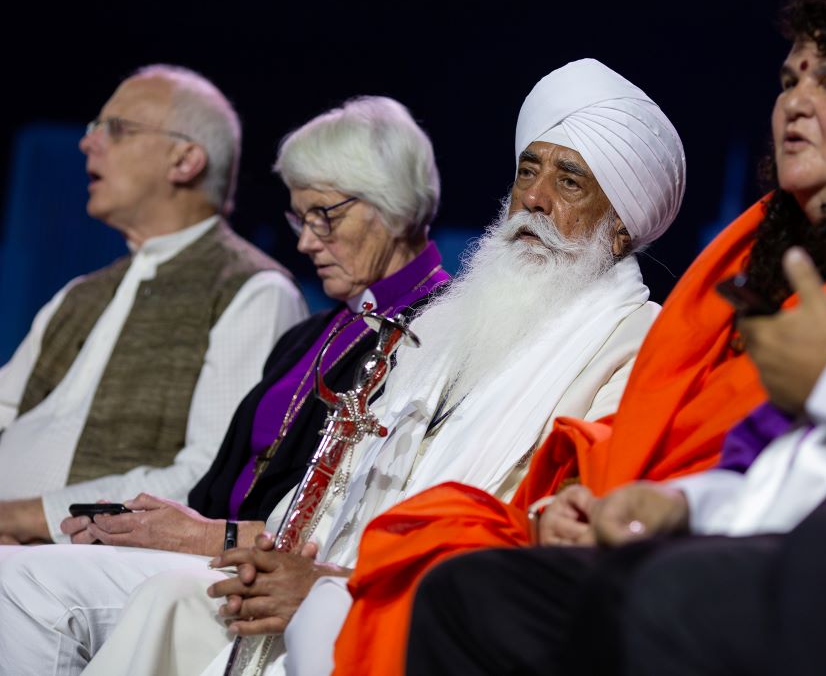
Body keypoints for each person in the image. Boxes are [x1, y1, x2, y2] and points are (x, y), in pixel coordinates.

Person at [328, 0, 826, 673]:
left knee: (603, 592)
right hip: (683, 517)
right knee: (456, 580)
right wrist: (634, 500)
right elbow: (731, 438)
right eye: (790, 80)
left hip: (825, 544)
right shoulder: (753, 249)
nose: (797, 101)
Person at [1, 60, 674, 675]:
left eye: (570, 181)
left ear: (624, 225)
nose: (534, 199)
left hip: (419, 605)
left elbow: (551, 535)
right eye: (528, 171)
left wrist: (331, 583)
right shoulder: (458, 319)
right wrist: (283, 556)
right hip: (319, 572)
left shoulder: (631, 341)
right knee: (152, 604)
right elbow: (344, 483)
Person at [0, 94, 452, 674]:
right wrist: (139, 523)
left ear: (395, 206)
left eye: (325, 216)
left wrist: (204, 536)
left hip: (267, 571)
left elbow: (357, 512)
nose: (306, 241)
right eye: (299, 218)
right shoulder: (316, 332)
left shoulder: (433, 332)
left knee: (22, 584)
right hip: (208, 550)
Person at [0, 64, 307, 545]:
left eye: (116, 129)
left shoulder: (253, 291)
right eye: (92, 129)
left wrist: (23, 519)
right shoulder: (80, 292)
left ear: (185, 160)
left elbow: (207, 475)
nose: (88, 143)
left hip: (80, 564)